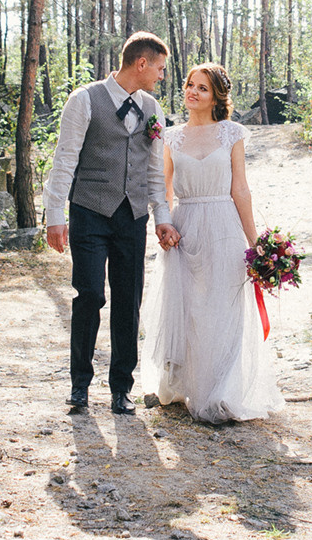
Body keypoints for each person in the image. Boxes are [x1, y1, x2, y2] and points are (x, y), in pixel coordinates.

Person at [43, 32, 181, 416]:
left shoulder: (152, 106)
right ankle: (79, 385)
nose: (161, 75)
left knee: (128, 301)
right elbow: (64, 160)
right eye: (159, 67)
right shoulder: (84, 100)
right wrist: (55, 216)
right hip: (89, 210)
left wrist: (161, 219)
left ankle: (122, 388)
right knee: (89, 294)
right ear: (141, 63)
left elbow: (155, 172)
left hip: (132, 217)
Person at [144, 63, 284, 424]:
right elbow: (162, 189)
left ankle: (221, 391)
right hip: (186, 226)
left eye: (202, 88)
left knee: (224, 308)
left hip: (224, 224)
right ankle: (190, 384)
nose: (192, 91)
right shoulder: (170, 138)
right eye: (190, 85)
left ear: (216, 97)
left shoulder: (231, 134)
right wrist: (163, 225)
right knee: (190, 309)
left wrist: (257, 245)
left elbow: (240, 189)